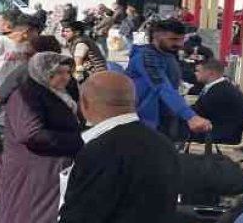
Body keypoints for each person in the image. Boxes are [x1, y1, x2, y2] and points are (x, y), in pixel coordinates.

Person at [59, 71, 179, 223]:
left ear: (84, 102)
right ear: (134, 101)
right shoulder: (164, 144)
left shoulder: (99, 150)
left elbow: (81, 215)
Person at [0, 53, 83, 223]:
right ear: (43, 72)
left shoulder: (54, 93)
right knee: (29, 214)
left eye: (67, 72)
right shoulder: (27, 95)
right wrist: (77, 141)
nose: (65, 77)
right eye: (58, 72)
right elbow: (30, 133)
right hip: (33, 171)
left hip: (48, 169)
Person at [126, 19, 212, 139]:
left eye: (182, 39)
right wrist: (190, 116)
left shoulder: (167, 54)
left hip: (163, 118)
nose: (180, 44)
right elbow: (161, 86)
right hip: (144, 122)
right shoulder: (146, 58)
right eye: (173, 39)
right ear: (156, 36)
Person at [190, 60, 243, 143]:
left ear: (210, 73)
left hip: (218, 136)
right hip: (226, 131)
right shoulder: (223, 87)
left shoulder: (218, 92)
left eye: (198, 71)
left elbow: (196, 112)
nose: (195, 73)